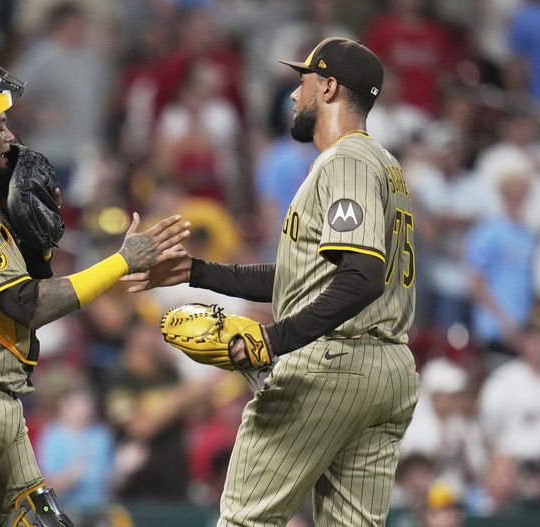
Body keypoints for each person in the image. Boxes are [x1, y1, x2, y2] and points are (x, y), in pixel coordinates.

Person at [0, 52, 190, 527]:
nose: (9, 136)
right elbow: (28, 305)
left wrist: (33, 241)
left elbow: (24, 288)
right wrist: (122, 262)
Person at [124, 37, 420, 526]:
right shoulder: (387, 167)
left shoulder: (346, 161)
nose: (292, 95)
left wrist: (273, 339)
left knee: (246, 519)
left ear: (328, 88)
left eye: (301, 82)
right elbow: (309, 277)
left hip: (330, 363)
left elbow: (362, 276)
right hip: (386, 370)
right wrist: (200, 272)